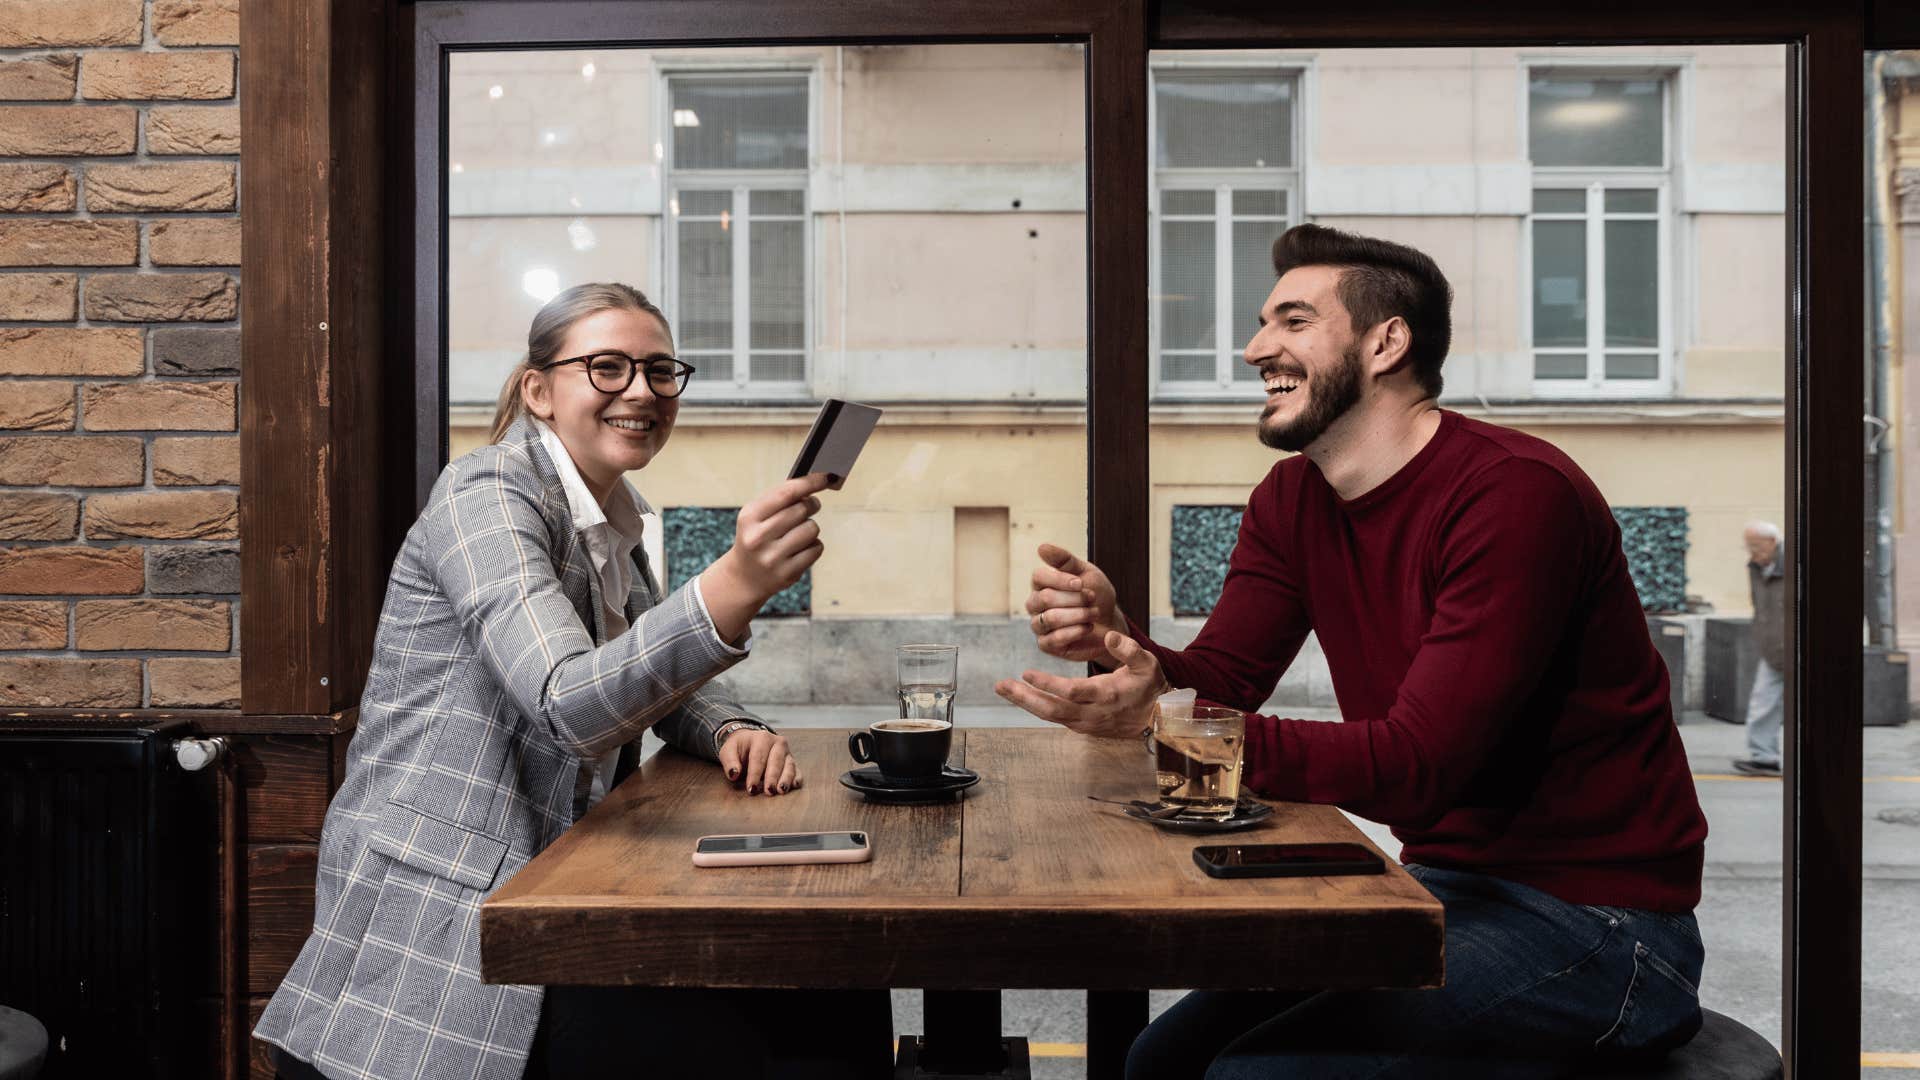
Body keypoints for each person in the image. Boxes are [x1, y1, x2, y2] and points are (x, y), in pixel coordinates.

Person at [998, 225, 1711, 1078]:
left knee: (1249, 1079)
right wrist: (1128, 649)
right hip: (1435, 891)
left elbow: (1419, 763)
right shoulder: (1294, 498)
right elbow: (1224, 681)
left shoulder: (1515, 496)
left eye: (1292, 322)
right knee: (1157, 1062)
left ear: (1386, 342)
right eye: (1264, 324)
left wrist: (1164, 721)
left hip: (1603, 925)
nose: (1257, 347)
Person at [255, 283, 891, 1080]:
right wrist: (733, 584)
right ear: (539, 390)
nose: (643, 391)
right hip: (451, 925)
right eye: (608, 367)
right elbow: (569, 704)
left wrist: (732, 727)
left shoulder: (614, 516)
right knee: (812, 1018)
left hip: (559, 892)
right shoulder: (483, 494)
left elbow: (663, 681)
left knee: (839, 995)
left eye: (661, 371)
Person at [1734, 521, 1785, 776]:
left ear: (1773, 542)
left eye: (1757, 546)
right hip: (1772, 647)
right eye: (1749, 547)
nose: (1752, 553)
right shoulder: (1756, 567)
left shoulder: (1795, 564)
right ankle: (1764, 757)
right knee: (1763, 702)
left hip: (1798, 647)